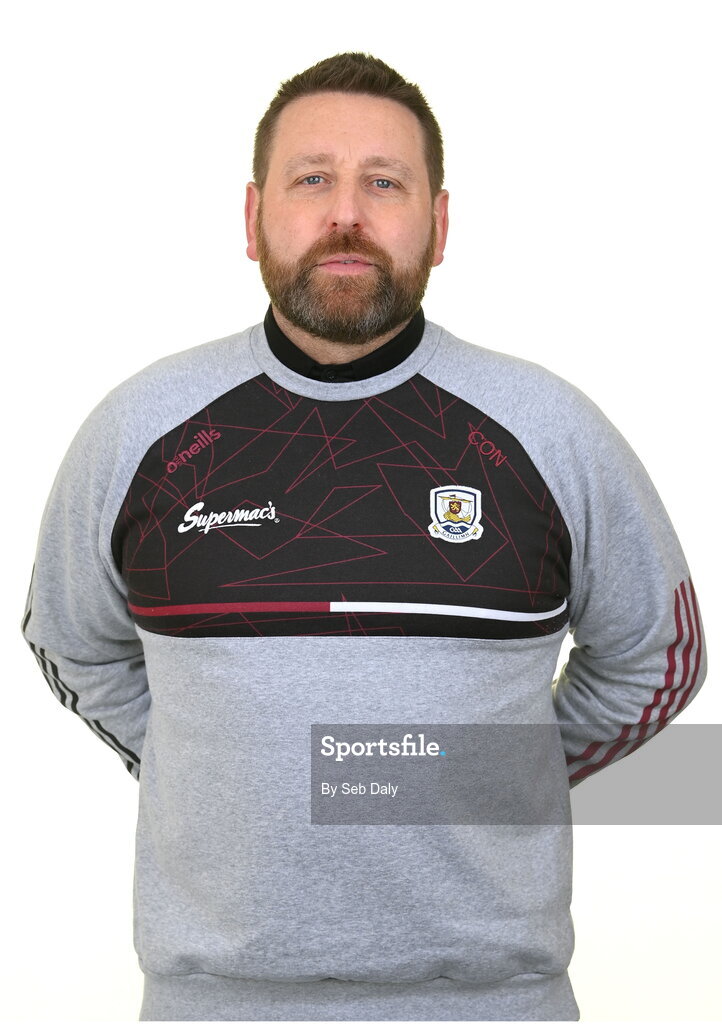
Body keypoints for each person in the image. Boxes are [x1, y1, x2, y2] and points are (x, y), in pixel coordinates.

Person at [22, 51, 706, 1023]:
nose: (346, 212)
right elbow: (68, 640)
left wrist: (479, 769)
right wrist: (204, 760)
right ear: (252, 217)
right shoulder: (140, 433)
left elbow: (658, 659)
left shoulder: (550, 433)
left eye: (384, 182)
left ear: (438, 222)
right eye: (313, 179)